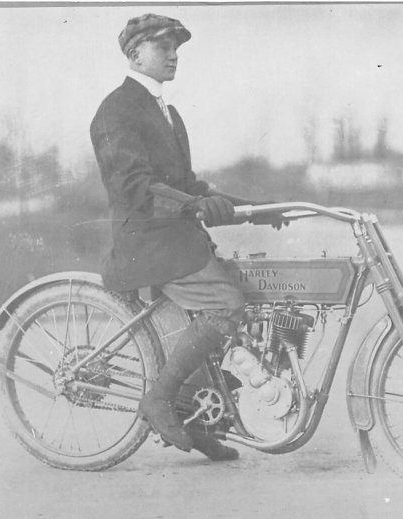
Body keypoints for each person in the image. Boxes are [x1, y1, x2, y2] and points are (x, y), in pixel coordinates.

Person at [90, 14, 281, 461]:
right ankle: (159, 400)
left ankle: (193, 416)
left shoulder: (166, 112)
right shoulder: (117, 110)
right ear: (135, 54)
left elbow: (186, 184)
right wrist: (192, 205)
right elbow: (134, 188)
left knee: (249, 300)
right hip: (148, 243)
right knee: (227, 305)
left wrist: (251, 207)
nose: (174, 54)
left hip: (175, 239)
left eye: (177, 46)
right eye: (163, 46)